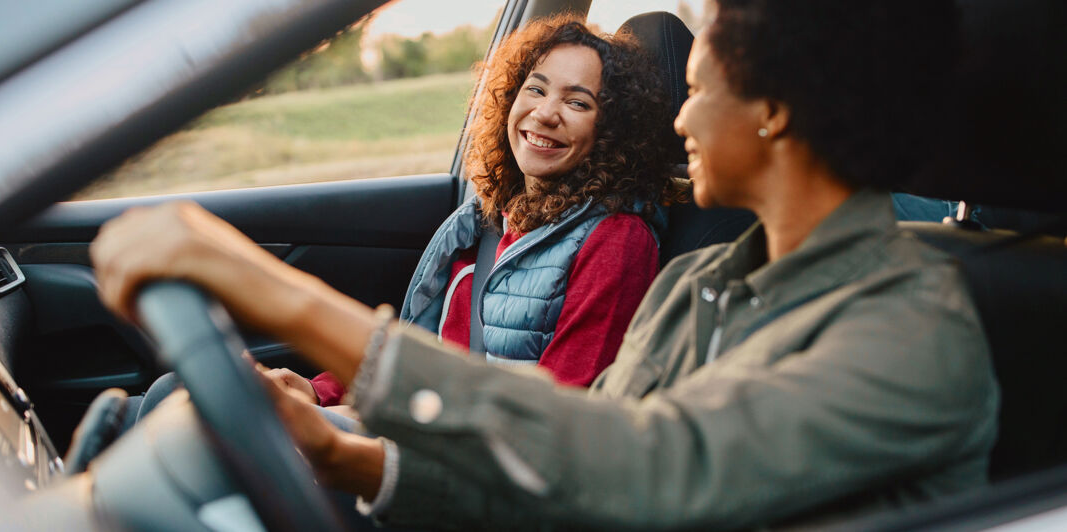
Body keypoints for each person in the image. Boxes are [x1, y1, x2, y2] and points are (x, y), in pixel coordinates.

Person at [90, 0, 999, 529]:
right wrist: (343, 457)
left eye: (694, 93)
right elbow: (558, 479)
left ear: (775, 110)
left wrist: (281, 295)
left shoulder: (910, 337)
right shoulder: (697, 287)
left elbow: (649, 469)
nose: (679, 126)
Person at [123, 16, 686, 424]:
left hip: (459, 470)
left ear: (611, 131)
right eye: (535, 88)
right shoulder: (486, 220)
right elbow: (417, 336)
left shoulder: (617, 240)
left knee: (202, 421)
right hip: (411, 422)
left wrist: (364, 435)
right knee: (175, 395)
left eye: (577, 101)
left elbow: (564, 422)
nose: (544, 112)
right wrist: (320, 392)